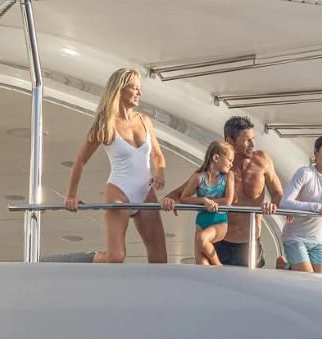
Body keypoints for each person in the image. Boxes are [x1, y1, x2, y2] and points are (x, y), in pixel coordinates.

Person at [63, 67, 168, 263]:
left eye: (140, 88)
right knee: (117, 257)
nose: (139, 92)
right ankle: (92, 257)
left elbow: (158, 155)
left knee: (160, 258)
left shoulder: (144, 120)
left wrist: (160, 174)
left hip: (146, 192)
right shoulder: (105, 124)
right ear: (120, 89)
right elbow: (80, 160)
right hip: (119, 191)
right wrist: (71, 195)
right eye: (134, 88)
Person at [216, 115, 282, 269]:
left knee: (251, 283)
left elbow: (278, 193)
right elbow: (193, 187)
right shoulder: (218, 164)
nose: (253, 144)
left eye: (253, 139)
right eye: (247, 140)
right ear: (230, 141)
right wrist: (171, 199)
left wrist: (272, 205)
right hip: (220, 240)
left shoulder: (262, 160)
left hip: (251, 243)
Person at [278, 134, 322, 273]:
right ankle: (285, 265)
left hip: (320, 240)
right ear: (316, 153)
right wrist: (318, 208)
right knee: (307, 275)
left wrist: (320, 209)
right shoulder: (305, 172)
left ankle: (285, 266)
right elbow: (285, 203)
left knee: (320, 279)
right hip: (295, 237)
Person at [162, 140, 235, 266]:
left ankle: (220, 268)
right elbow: (184, 197)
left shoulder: (228, 176)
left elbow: (228, 201)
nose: (231, 164)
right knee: (202, 266)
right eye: (229, 160)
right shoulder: (198, 177)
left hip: (219, 221)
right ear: (216, 158)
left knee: (201, 238)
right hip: (201, 222)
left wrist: (210, 202)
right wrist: (203, 200)